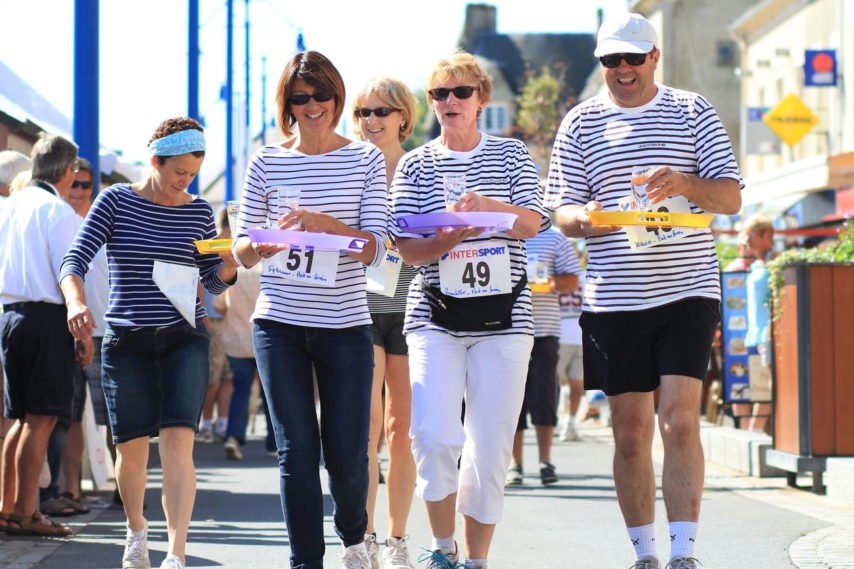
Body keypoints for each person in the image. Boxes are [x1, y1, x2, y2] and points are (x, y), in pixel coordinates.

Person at [545, 13, 743, 569]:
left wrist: (685, 184)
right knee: (630, 432)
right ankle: (645, 555)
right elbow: (561, 209)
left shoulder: (692, 111)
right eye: (612, 60)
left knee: (680, 419)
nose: (623, 70)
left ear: (655, 57)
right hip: (615, 298)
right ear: (601, 64)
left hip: (688, 289)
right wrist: (587, 218)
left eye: (634, 57)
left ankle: (684, 553)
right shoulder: (580, 123)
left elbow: (730, 199)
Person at [388, 51, 548, 569]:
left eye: (461, 92)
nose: (450, 102)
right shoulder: (415, 163)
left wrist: (489, 209)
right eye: (439, 94)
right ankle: (441, 548)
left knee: (491, 445)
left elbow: (532, 223)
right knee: (433, 434)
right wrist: (447, 237)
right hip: (434, 313)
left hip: (505, 318)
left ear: (481, 99)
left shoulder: (512, 155)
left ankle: (477, 560)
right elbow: (403, 247)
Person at [231, 51, 388, 569]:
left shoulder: (363, 158)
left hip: (344, 325)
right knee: (296, 453)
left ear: (337, 98)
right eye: (301, 97)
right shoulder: (265, 161)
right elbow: (241, 248)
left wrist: (328, 226)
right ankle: (305, 561)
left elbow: (374, 247)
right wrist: (262, 247)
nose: (313, 105)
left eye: (322, 94)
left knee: (346, 457)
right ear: (287, 104)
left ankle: (353, 536)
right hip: (278, 324)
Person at [60, 117, 238, 569]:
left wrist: (237, 259)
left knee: (179, 443)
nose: (186, 181)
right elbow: (74, 260)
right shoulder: (115, 201)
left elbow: (212, 281)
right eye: (179, 171)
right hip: (128, 341)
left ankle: (175, 552)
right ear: (155, 161)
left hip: (185, 338)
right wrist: (75, 304)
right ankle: (137, 529)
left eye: (193, 173)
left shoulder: (199, 212)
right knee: (133, 449)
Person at [0, 133, 87, 537]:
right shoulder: (58, 211)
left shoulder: (9, 207)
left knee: (18, 419)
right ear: (69, 171)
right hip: (47, 319)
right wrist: (83, 332)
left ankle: (10, 507)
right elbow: (69, 274)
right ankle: (28, 511)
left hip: (10, 316)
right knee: (41, 420)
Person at [352, 77, 420, 569]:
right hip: (361, 307)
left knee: (403, 431)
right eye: (362, 112)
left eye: (381, 111)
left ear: (403, 117)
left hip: (417, 306)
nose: (371, 120)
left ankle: (398, 539)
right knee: (367, 430)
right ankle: (365, 536)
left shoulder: (422, 166)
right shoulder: (350, 166)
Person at [41, 158, 99, 519]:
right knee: (67, 416)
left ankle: (78, 489)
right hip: (69, 329)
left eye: (85, 184)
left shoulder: (103, 218)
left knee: (108, 420)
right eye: (74, 183)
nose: (78, 190)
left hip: (108, 329)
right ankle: (65, 489)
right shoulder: (58, 220)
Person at [505, 227, 579, 487]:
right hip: (505, 330)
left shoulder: (554, 237)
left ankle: (546, 461)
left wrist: (550, 283)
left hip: (544, 330)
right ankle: (515, 464)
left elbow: (573, 280)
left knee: (545, 397)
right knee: (512, 402)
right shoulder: (497, 229)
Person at [212, 209, 262, 461]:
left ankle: (233, 436)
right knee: (271, 391)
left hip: (236, 339)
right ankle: (276, 443)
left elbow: (219, 305)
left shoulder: (233, 268)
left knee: (240, 389)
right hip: (265, 338)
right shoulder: (265, 268)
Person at [740, 214, 775, 433]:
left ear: (766, 235)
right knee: (757, 388)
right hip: (754, 335)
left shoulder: (775, 261)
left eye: (750, 234)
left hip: (766, 334)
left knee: (770, 385)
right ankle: (755, 430)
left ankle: (755, 430)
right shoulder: (757, 264)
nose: (746, 240)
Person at [556, 245, 589, 441]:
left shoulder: (584, 277)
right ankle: (557, 421)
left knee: (576, 385)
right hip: (560, 335)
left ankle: (569, 423)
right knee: (561, 384)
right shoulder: (555, 277)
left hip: (579, 335)